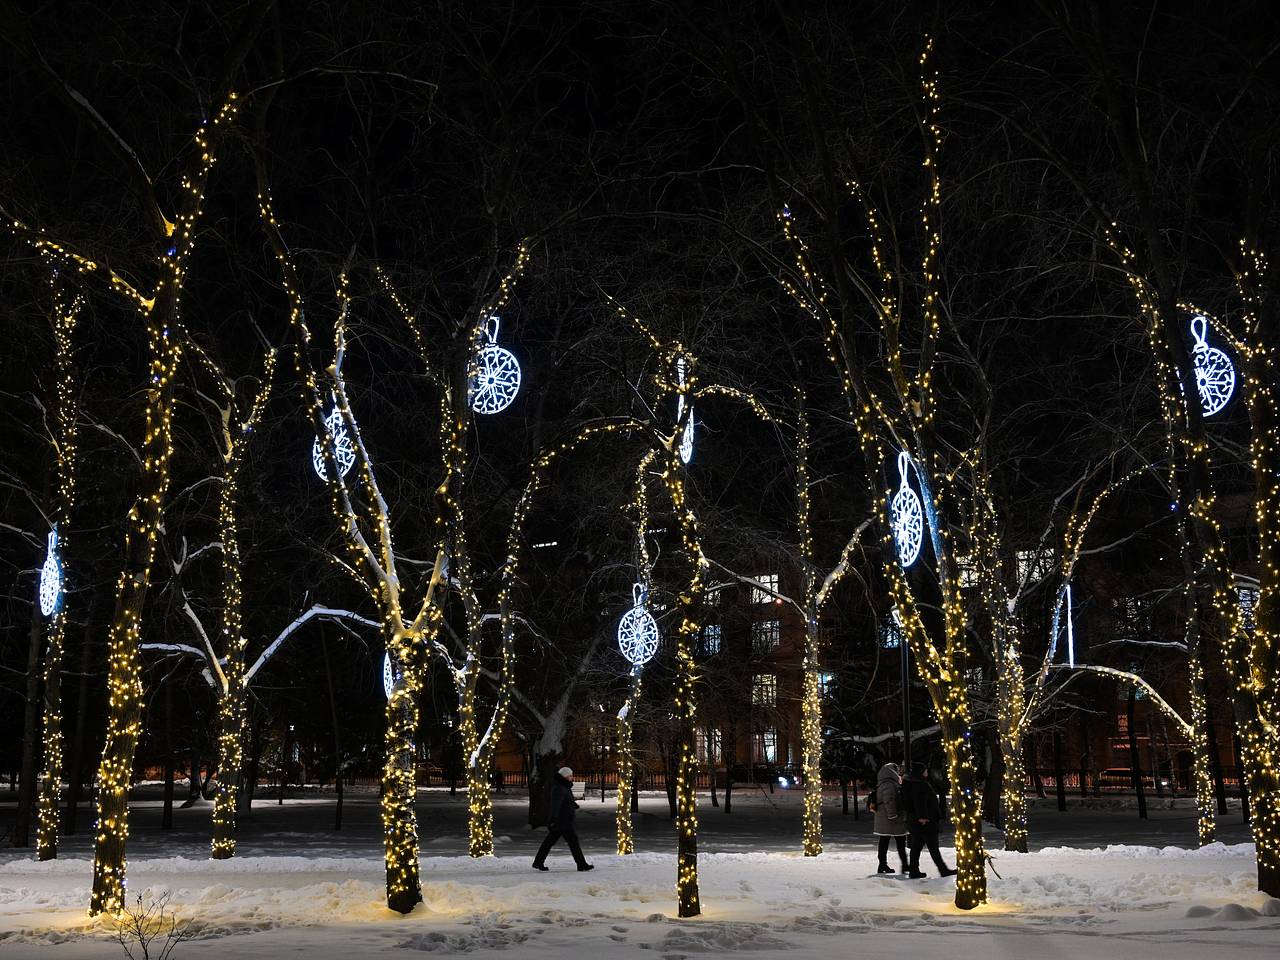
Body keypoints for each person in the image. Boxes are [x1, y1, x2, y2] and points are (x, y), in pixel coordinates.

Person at [900, 761, 956, 879]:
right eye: (925, 770)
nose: (927, 772)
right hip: (925, 822)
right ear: (920, 772)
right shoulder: (920, 784)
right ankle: (943, 870)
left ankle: (914, 870)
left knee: (916, 846)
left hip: (915, 821)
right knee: (932, 847)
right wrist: (923, 817)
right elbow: (920, 802)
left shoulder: (911, 783)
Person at [532, 766, 594, 872]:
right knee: (573, 842)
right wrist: (554, 818)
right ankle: (582, 864)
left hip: (562, 820)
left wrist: (573, 804)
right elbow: (556, 804)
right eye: (570, 775)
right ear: (564, 776)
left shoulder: (564, 786)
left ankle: (538, 862)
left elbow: (565, 800)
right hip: (562, 821)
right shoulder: (559, 788)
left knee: (549, 842)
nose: (571, 777)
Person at [870, 762, 908, 874]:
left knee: (884, 841)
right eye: (897, 771)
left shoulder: (883, 783)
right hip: (891, 818)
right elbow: (889, 801)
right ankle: (904, 865)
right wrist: (893, 815)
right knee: (900, 841)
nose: (899, 772)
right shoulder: (889, 785)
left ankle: (883, 865)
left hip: (884, 818)